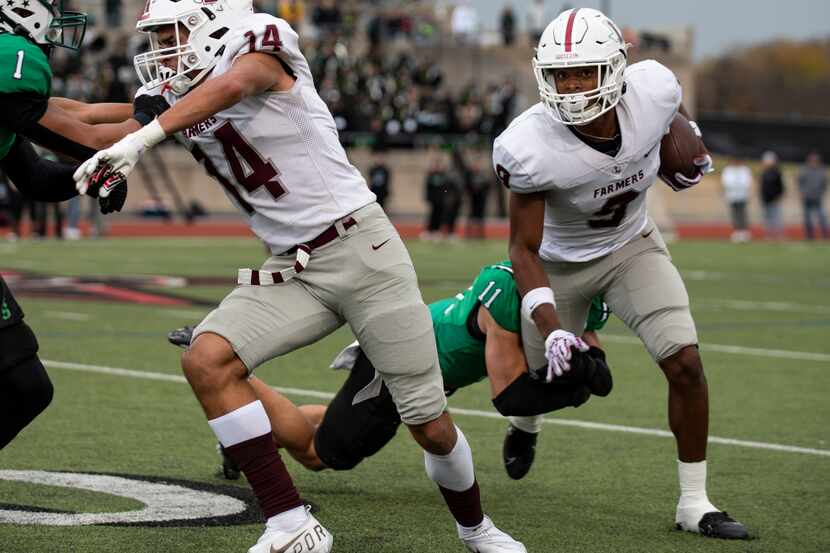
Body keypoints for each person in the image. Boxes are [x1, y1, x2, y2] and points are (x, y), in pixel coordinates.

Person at [73, 3, 526, 552]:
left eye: (170, 33)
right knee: (207, 359)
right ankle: (290, 523)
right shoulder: (182, 98)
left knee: (428, 423)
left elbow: (239, 82)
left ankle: (477, 530)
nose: (160, 48)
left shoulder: (260, 50)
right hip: (293, 266)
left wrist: (138, 142)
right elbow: (86, 121)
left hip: (364, 252)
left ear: (211, 23)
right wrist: (21, 111)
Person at [493, 7, 748, 540]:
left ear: (614, 69)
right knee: (544, 382)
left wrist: (684, 140)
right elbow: (522, 248)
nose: (572, 87)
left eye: (584, 72)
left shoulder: (653, 91)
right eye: (562, 75)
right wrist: (550, 325)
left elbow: (669, 121)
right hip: (558, 264)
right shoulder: (528, 145)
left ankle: (694, 502)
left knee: (686, 363)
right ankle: (526, 425)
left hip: (633, 247)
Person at [168, 261, 613, 482]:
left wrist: (592, 370)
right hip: (402, 356)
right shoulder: (507, 290)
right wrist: (575, 390)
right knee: (322, 456)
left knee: (337, 422)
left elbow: (600, 368)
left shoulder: (580, 298)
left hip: (429, 369)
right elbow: (509, 395)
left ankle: (244, 431)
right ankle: (235, 392)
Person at [0, 0, 153, 450]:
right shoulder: (12, 58)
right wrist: (160, 117)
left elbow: (35, 176)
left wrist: (86, 178)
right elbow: (89, 138)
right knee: (22, 383)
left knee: (24, 384)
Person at [797, 151, 828, 240]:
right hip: (807, 198)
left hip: (817, 198)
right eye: (812, 160)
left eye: (815, 160)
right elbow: (800, 182)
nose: (813, 162)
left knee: (822, 217)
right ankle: (809, 236)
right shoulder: (804, 170)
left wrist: (821, 193)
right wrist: (801, 192)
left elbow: (824, 184)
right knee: (807, 219)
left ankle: (825, 235)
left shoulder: (822, 170)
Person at [721, 158, 753, 242]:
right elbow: (725, 182)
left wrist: (739, 186)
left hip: (742, 195)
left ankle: (744, 232)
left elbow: (747, 182)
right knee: (734, 214)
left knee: (742, 214)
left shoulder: (745, 170)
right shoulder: (728, 170)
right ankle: (737, 231)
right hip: (732, 196)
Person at [759, 151, 785, 239]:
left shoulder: (777, 173)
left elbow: (781, 187)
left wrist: (779, 196)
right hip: (765, 199)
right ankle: (769, 235)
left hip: (774, 199)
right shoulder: (763, 173)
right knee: (767, 219)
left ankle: (778, 235)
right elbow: (762, 187)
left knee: (776, 219)